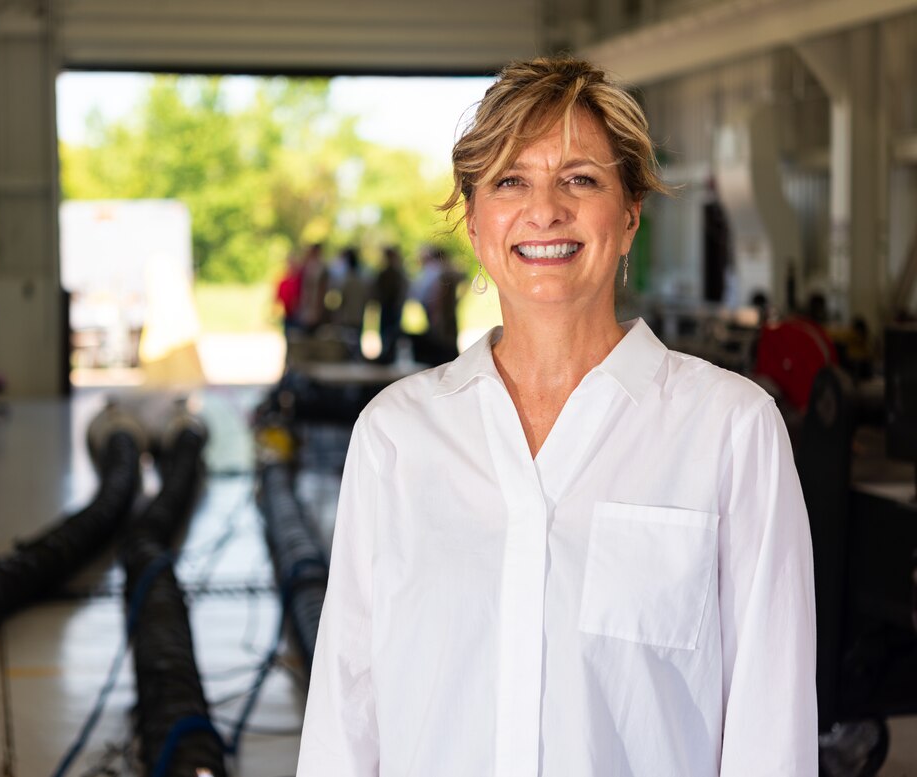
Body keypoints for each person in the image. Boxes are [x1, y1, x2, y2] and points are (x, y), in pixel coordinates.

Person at [296, 56, 816, 776]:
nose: (546, 209)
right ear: (474, 220)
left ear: (629, 213)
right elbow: (346, 715)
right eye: (511, 180)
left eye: (581, 178)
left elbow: (771, 726)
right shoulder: (397, 437)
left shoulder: (731, 432)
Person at [373, 246, 408, 363]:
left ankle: (390, 354)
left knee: (392, 332)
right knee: (387, 332)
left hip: (392, 307)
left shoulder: (395, 273)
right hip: (387, 306)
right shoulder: (388, 273)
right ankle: (387, 354)